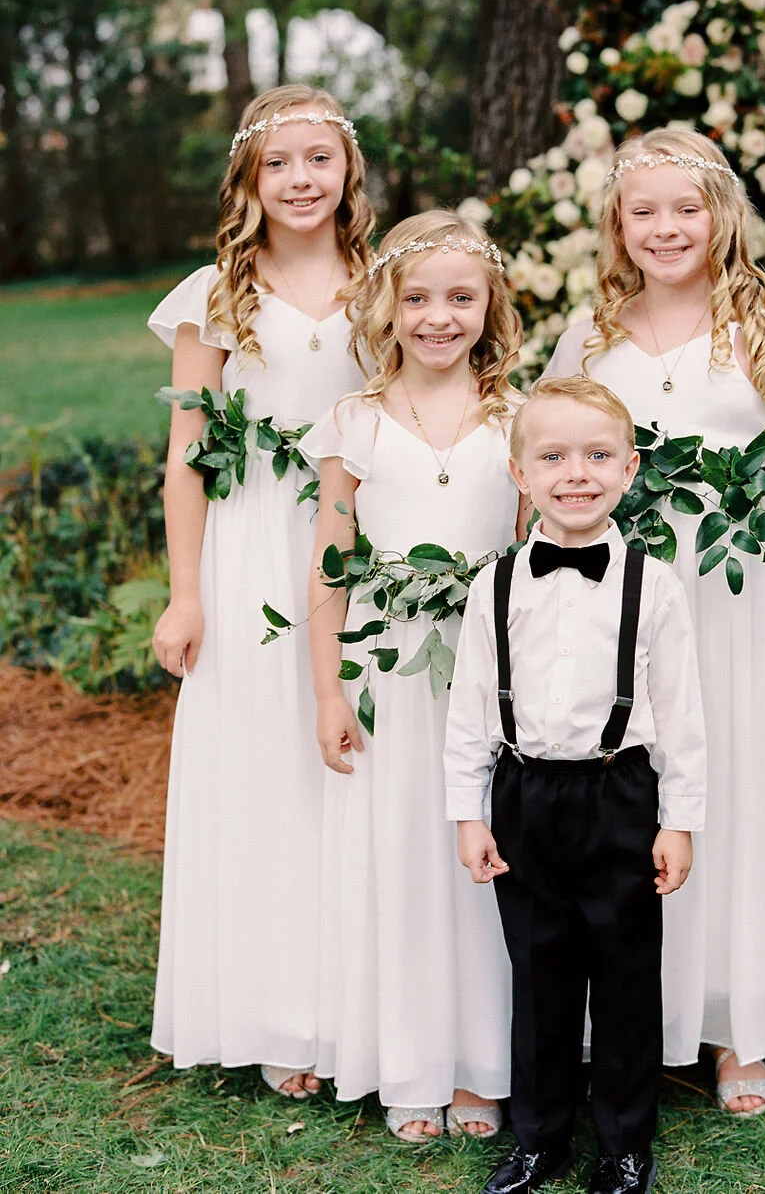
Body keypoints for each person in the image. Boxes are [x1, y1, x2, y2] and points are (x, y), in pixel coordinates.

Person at [544, 128, 765, 1115]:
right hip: (617, 607)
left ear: (721, 215)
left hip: (734, 605)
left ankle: (734, 1026)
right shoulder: (586, 339)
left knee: (735, 794)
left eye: (685, 207)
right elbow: (548, 477)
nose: (666, 227)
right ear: (617, 225)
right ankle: (626, 1013)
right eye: (645, 211)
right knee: (627, 801)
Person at [148, 84, 374, 1099]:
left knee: (353, 763)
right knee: (262, 764)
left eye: (317, 159)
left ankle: (357, 998)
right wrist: (184, 594)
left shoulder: (385, 280)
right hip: (249, 549)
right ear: (250, 176)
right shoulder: (217, 295)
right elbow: (186, 456)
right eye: (278, 162)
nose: (299, 179)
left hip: (359, 548)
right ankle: (275, 1010)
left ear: (347, 171)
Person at [445, 376, 707, 1194]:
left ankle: (626, 1144)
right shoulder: (493, 587)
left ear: (630, 469)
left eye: (597, 456)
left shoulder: (653, 585)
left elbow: (683, 716)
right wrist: (468, 813)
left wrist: (679, 819)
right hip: (525, 798)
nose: (576, 474)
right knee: (539, 973)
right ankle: (540, 1138)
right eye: (552, 456)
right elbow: (470, 711)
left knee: (629, 975)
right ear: (520, 474)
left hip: (619, 793)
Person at [302, 209, 524, 1142]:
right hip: (389, 673)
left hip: (490, 669)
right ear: (387, 305)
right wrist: (327, 689)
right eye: (419, 297)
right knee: (402, 858)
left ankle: (483, 1063)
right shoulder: (353, 423)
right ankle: (410, 1063)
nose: (439, 317)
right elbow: (328, 562)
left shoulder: (519, 416)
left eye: (461, 298)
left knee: (487, 857)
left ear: (491, 307)